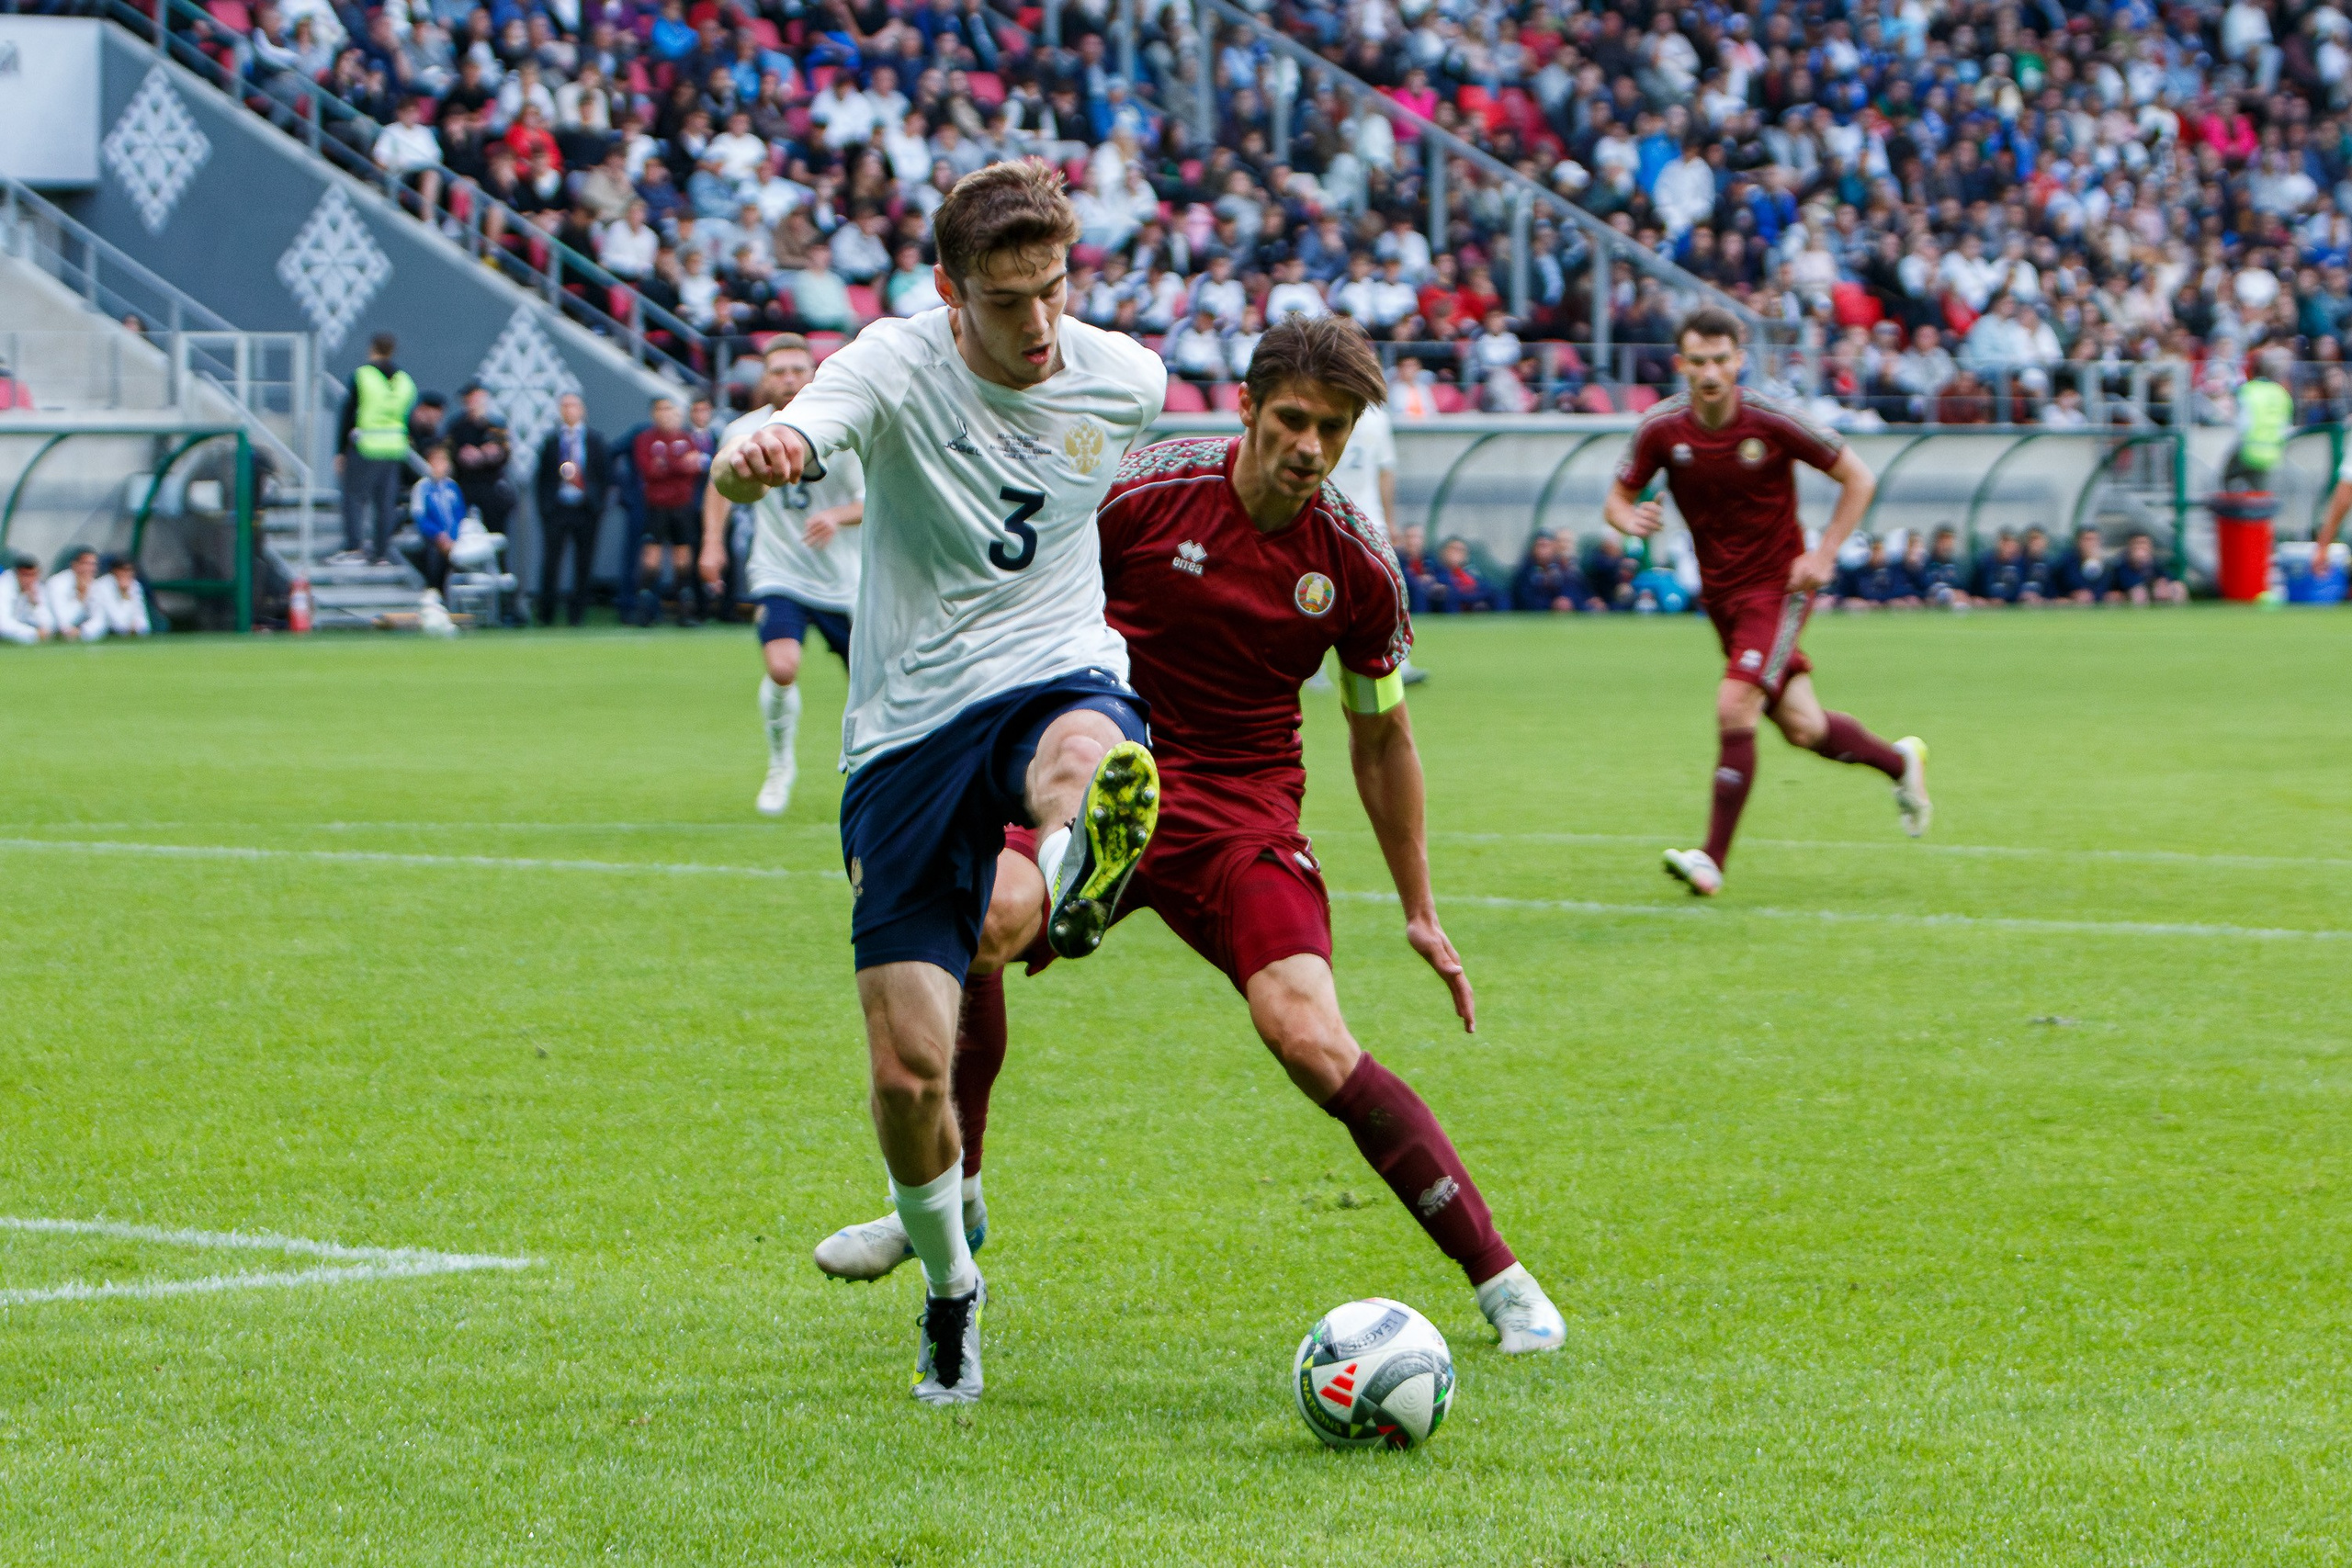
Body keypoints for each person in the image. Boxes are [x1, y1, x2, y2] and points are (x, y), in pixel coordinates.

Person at [808, 316, 1568, 1357]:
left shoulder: (1354, 566)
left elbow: (1382, 739)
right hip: (1104, 766)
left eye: (1334, 431)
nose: (1309, 447)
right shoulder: (1143, 491)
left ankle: (1502, 1279)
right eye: (1293, 420)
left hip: (1242, 812)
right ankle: (960, 1192)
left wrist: (1421, 910)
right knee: (986, 915)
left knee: (1307, 1034)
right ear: (1248, 407)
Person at [714, 161, 1170, 1406]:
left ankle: (1078, 865)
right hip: (906, 729)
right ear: (947, 291)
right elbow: (811, 425)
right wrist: (770, 449)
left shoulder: (1123, 377)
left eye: (1054, 290)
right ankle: (953, 1286)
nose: (1038, 325)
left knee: (1090, 760)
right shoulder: (894, 358)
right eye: (1007, 300)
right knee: (910, 1067)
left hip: (1053, 671)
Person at [1605, 308, 1930, 898]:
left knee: (1735, 707)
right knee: (1805, 729)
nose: (1710, 372)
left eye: (1721, 360)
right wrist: (1629, 517)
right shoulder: (1661, 429)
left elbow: (1858, 477)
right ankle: (1899, 763)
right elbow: (1618, 497)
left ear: (1739, 362)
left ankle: (1711, 861)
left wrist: (1825, 555)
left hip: (1777, 591)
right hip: (1722, 597)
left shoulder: (1773, 421)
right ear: (1680, 365)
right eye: (1698, 361)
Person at [700, 335, 865, 816]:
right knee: (782, 667)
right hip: (781, 570)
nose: (789, 378)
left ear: (813, 374)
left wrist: (837, 517)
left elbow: (871, 499)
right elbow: (721, 483)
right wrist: (712, 542)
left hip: (845, 579)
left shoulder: (842, 430)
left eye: (797, 369)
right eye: (778, 371)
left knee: (869, 685)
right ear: (764, 379)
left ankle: (863, 763)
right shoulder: (745, 429)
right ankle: (780, 766)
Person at [334, 333, 415, 566]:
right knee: (385, 503)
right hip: (394, 448)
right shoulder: (404, 381)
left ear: (372, 349)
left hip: (367, 445)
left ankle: (354, 547)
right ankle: (381, 552)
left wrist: (340, 450)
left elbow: (349, 414)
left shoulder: (363, 376)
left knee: (354, 497)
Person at [630, 398, 710, 626]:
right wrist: (679, 464)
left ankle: (684, 611)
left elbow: (695, 468)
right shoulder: (645, 439)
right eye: (662, 410)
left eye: (671, 409)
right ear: (654, 414)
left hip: (682, 507)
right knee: (651, 559)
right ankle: (644, 610)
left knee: (683, 557)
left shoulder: (687, 439)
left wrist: (669, 465)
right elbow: (650, 470)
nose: (668, 414)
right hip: (656, 507)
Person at [533, 392, 608, 626]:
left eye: (574, 405)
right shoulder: (551, 442)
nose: (569, 410)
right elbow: (542, 478)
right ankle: (546, 614)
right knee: (551, 561)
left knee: (583, 563)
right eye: (564, 406)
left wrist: (595, 500)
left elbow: (604, 476)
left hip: (585, 508)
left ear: (582, 409)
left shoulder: (595, 441)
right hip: (558, 508)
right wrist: (546, 507)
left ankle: (577, 615)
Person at [446, 382, 515, 543]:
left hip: (491, 488)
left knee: (496, 534)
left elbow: (505, 451)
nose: (472, 402)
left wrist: (490, 454)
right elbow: (449, 452)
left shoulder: (496, 426)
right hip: (465, 487)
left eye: (475, 398)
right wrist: (461, 456)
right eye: (468, 399)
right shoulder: (456, 427)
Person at [2226, 347, 2295, 490]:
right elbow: (2285, 426)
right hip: (2274, 454)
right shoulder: (2282, 393)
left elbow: (2243, 424)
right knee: (2260, 490)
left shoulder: (2249, 390)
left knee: (2227, 477)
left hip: (2249, 451)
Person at [409, 442, 468, 601]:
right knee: (434, 558)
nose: (441, 466)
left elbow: (460, 515)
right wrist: (439, 536)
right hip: (433, 539)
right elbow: (420, 517)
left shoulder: (452, 487)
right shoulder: (422, 487)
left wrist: (454, 538)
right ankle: (434, 593)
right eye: (436, 461)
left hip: (453, 539)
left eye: (444, 461)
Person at [1511, 530, 1597, 612]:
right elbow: (1524, 600)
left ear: (1554, 548)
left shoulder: (1563, 569)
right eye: (1540, 546)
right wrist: (1551, 605)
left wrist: (1568, 601)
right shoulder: (1525, 572)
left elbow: (1575, 592)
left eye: (1546, 546)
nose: (1543, 551)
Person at [87, 554, 154, 639]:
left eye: (129, 570)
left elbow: (143, 623)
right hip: (100, 628)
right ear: (115, 571)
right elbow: (118, 622)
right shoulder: (103, 586)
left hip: (122, 632)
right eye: (123, 570)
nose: (126, 574)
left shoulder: (135, 586)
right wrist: (125, 594)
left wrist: (137, 628)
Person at [2111, 532, 2188, 604]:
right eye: (2138, 544)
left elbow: (2167, 576)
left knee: (2178, 587)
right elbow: (2127, 582)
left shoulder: (2154, 562)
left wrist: (2162, 582)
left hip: (2153, 590)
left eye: (2144, 543)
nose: (2141, 547)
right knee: (2139, 593)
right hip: (2130, 594)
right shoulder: (2122, 563)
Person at [43, 547, 101, 641]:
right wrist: (81, 596)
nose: (90, 568)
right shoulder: (57, 583)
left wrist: (83, 631)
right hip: (51, 630)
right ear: (75, 565)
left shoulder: (95, 585)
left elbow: (99, 619)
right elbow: (63, 620)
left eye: (93, 564)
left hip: (78, 633)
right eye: (86, 564)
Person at [2057, 525, 2119, 604]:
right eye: (2086, 540)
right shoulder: (2065, 563)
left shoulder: (2108, 566)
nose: (2090, 544)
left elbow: (2113, 588)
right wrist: (2071, 596)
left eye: (2093, 540)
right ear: (2077, 542)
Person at [1, 553, 54, 643]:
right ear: (16, 574)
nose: (29, 580)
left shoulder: (37, 587)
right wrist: (33, 633)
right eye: (25, 575)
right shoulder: (3, 587)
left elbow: (49, 625)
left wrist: (35, 604)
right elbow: (3, 624)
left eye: (33, 575)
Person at [1971, 529, 2028, 605]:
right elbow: (1974, 590)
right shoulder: (1985, 563)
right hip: (1987, 605)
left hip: (2013, 605)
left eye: (2011, 544)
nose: (2008, 548)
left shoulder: (2021, 564)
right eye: (2005, 543)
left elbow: (2022, 590)